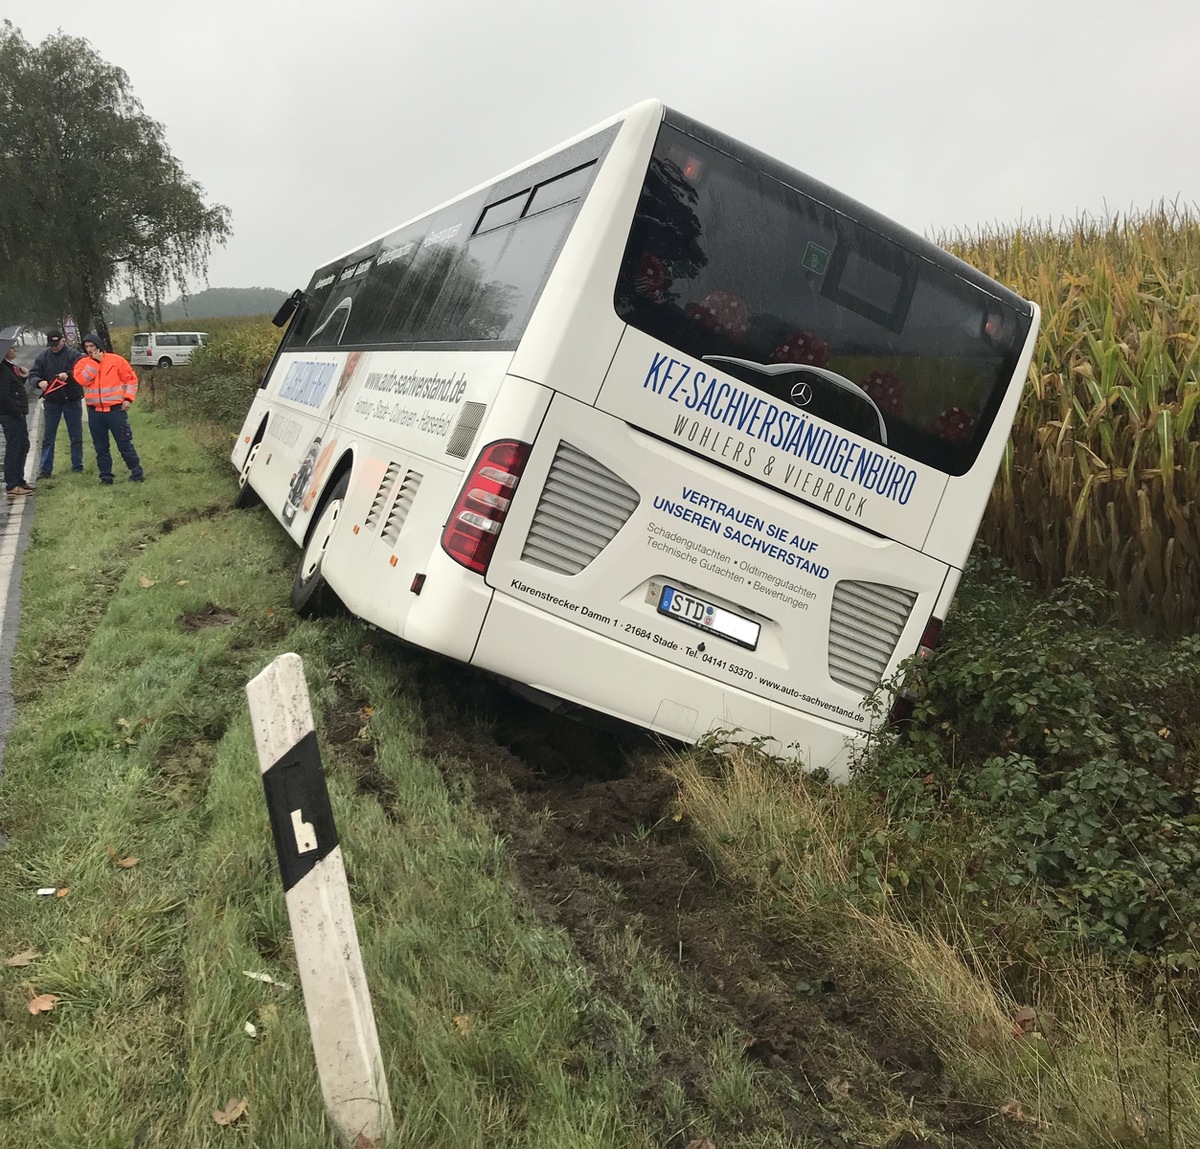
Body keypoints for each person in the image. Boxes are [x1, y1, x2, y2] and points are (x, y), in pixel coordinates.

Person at [73, 334, 145, 484]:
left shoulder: (116, 360)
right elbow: (82, 380)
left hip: (115, 411)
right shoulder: (83, 363)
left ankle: (137, 473)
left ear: (99, 346)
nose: (89, 349)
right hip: (95, 412)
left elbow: (131, 380)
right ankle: (106, 476)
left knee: (124, 443)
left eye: (92, 346)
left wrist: (128, 398)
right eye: (86, 347)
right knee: (101, 447)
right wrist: (94, 363)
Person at [28, 330, 85, 477]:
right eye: (51, 345)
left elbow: (83, 371)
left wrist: (69, 375)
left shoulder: (74, 354)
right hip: (52, 402)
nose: (54, 348)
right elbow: (33, 374)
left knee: (75, 435)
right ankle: (45, 469)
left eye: (57, 344)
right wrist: (39, 382)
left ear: (63, 341)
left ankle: (77, 466)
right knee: (48, 437)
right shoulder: (43, 357)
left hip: (72, 400)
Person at [0, 345, 35, 497]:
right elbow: (4, 395)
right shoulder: (2, 369)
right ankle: (12, 484)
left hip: (18, 413)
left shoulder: (9, 366)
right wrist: (16, 412)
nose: (15, 351)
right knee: (14, 447)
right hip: (11, 414)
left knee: (23, 445)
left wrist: (22, 377)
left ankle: (20, 480)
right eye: (12, 348)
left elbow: (16, 387)